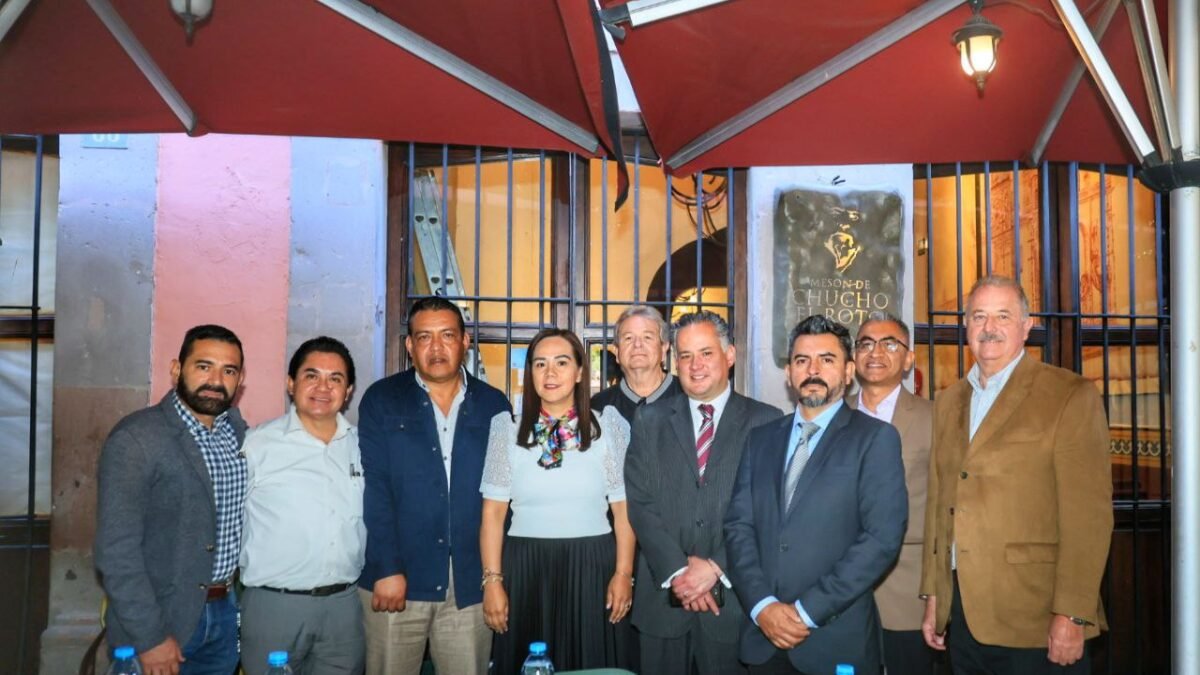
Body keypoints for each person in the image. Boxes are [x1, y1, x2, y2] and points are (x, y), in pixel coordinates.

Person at [920, 275, 1113, 673]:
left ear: (1026, 327)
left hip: (1036, 618)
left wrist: (1073, 613)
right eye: (979, 316)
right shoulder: (948, 401)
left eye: (1003, 316)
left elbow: (1088, 517)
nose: (989, 327)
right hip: (963, 615)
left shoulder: (1069, 395)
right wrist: (935, 597)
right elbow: (939, 505)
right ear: (966, 326)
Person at [725, 314, 908, 674]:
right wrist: (762, 606)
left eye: (827, 359)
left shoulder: (875, 439)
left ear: (848, 371)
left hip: (833, 637)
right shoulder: (760, 440)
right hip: (763, 639)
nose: (813, 370)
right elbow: (737, 526)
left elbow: (881, 539)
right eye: (801, 360)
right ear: (789, 373)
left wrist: (805, 612)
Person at [357, 298, 511, 675]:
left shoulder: (494, 405)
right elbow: (375, 489)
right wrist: (387, 567)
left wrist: (493, 577)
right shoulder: (382, 399)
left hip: (468, 583)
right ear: (410, 345)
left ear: (465, 341)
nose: (437, 347)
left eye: (447, 336)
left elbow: (502, 497)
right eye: (424, 337)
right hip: (398, 578)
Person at [624, 310, 780, 674]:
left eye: (706, 353)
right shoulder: (648, 420)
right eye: (685, 355)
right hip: (663, 599)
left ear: (729, 355)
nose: (695, 365)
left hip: (735, 604)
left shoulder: (768, 422)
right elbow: (640, 504)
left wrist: (715, 567)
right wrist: (679, 571)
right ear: (674, 363)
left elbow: (769, 509)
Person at [480, 328, 636, 675]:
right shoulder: (506, 430)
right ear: (530, 373)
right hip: (525, 568)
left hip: (593, 566)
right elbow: (492, 514)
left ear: (579, 372)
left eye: (561, 363)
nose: (550, 373)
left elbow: (623, 510)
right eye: (540, 364)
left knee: (592, 663)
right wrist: (492, 581)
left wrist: (624, 574)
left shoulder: (607, 428)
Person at [96, 324, 249, 675]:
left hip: (225, 615)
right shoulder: (137, 438)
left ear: (240, 380)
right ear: (176, 369)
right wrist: (149, 638)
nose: (215, 380)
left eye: (228, 371)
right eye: (203, 366)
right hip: (160, 621)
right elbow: (116, 551)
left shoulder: (239, 435)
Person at [239, 337, 365, 674]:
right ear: (291, 384)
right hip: (273, 607)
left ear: (348, 391)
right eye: (312, 375)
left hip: (344, 609)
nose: (323, 387)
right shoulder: (256, 445)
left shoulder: (362, 447)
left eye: (335, 378)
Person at [847, 312, 935, 675]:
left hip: (907, 591)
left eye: (889, 344)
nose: (876, 352)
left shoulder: (934, 418)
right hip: (840, 592)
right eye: (866, 343)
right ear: (854, 357)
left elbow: (945, 510)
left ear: (909, 358)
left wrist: (937, 592)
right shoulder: (831, 416)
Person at [591, 304, 683, 422]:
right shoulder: (598, 406)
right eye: (628, 338)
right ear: (617, 351)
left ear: (664, 348)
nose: (637, 344)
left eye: (647, 337)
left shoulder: (687, 396)